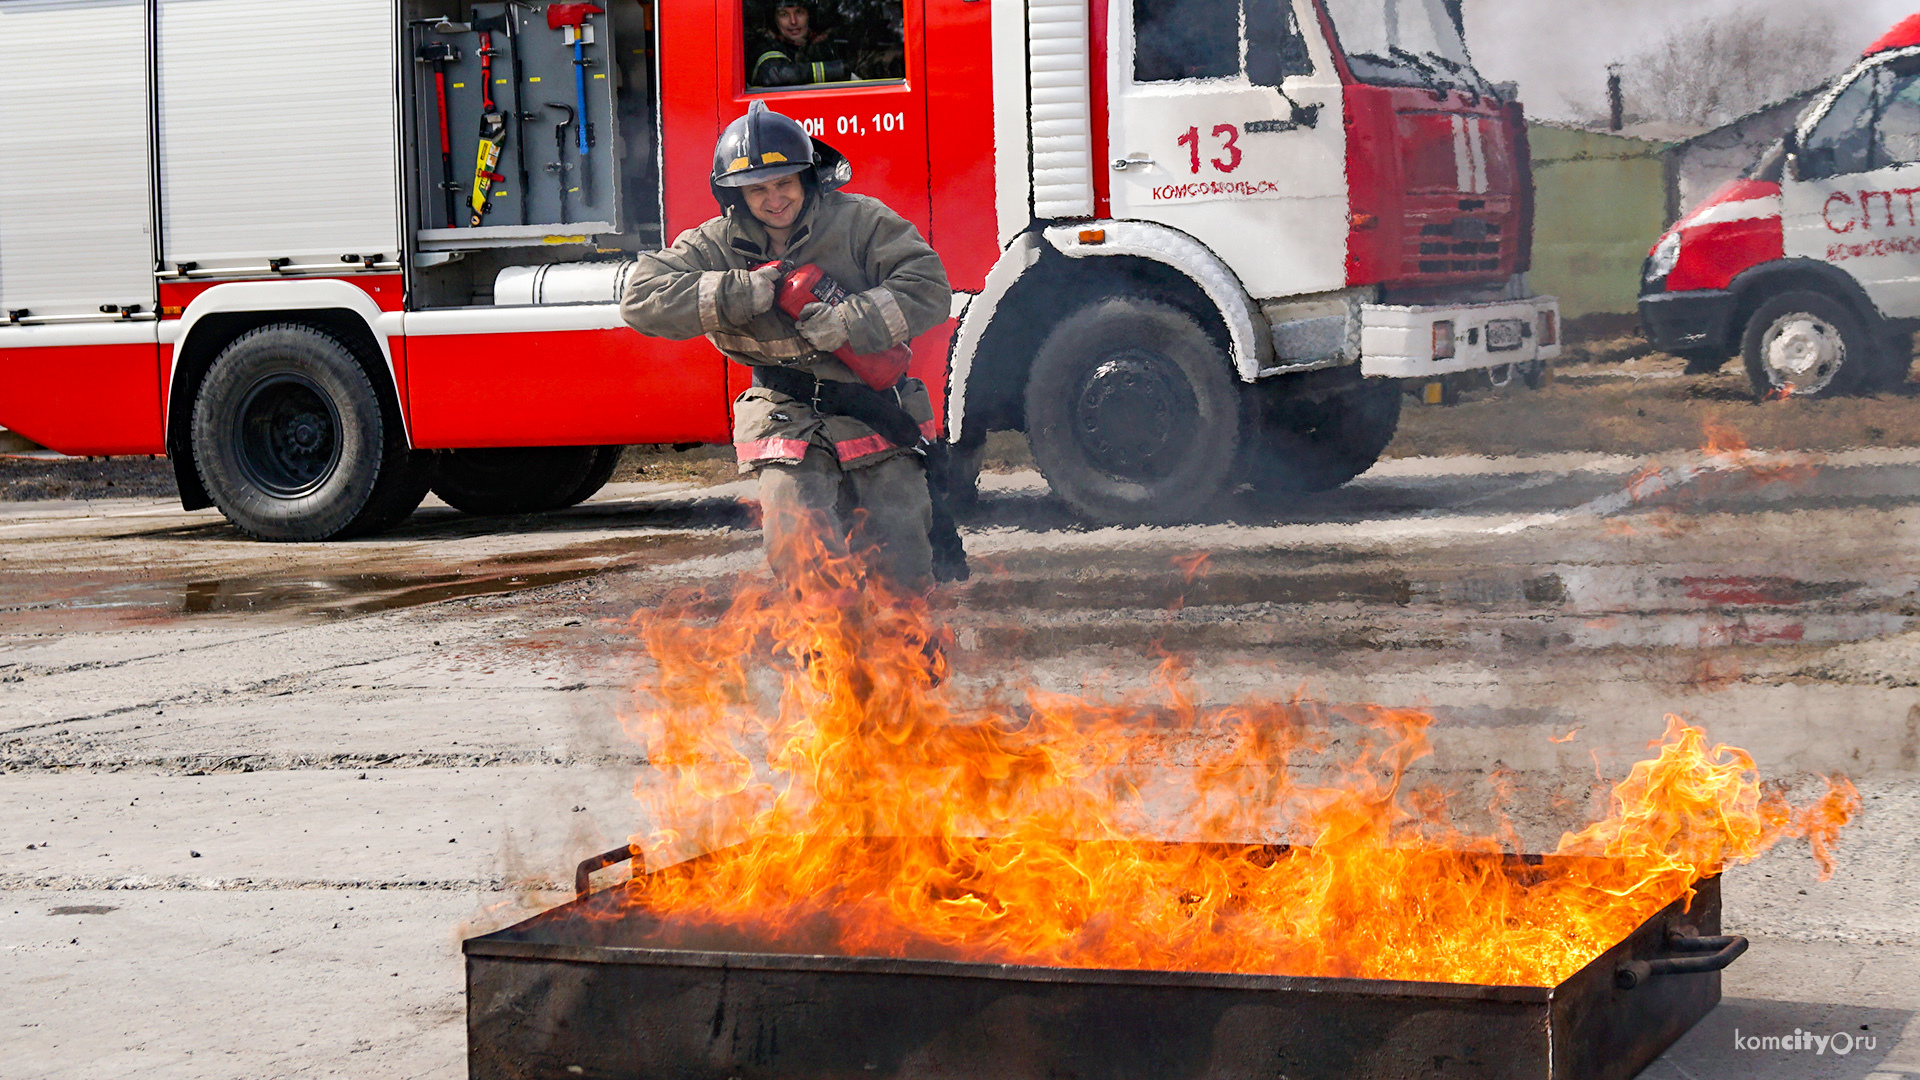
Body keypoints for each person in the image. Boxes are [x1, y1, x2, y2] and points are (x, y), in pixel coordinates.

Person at [618, 102, 955, 592]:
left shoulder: (861, 222)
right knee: (800, 546)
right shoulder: (714, 244)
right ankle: (823, 660)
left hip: (872, 404)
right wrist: (735, 293)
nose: (774, 200)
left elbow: (930, 289)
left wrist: (849, 321)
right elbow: (640, 300)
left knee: (901, 562)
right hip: (783, 407)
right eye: (757, 189)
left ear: (808, 178)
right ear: (735, 193)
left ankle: (907, 660)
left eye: (784, 184)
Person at [749, 0, 851, 87]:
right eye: (784, 14)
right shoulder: (764, 45)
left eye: (799, 12)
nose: (793, 21)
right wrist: (839, 70)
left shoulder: (823, 45)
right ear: (774, 20)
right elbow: (777, 74)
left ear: (809, 15)